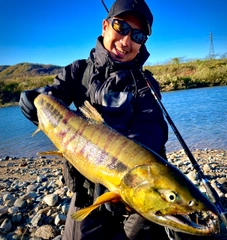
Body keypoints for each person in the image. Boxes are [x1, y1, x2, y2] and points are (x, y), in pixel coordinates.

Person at [19, 1, 204, 239]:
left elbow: (152, 128)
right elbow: (52, 97)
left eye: (137, 35)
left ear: (142, 42)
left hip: (135, 188)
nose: (126, 41)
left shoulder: (145, 84)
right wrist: (35, 102)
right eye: (121, 26)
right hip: (87, 187)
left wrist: (123, 176)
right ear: (105, 26)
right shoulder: (77, 71)